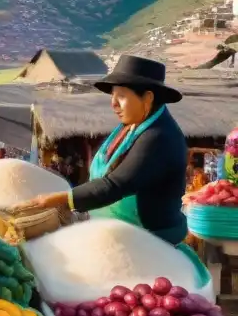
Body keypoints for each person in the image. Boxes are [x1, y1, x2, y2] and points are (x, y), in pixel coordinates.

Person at [10, 56, 188, 245]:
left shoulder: (159, 138)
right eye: (112, 95)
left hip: (149, 238)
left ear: (148, 98)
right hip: (116, 228)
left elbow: (116, 185)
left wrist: (58, 199)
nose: (113, 103)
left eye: (121, 96)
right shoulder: (131, 126)